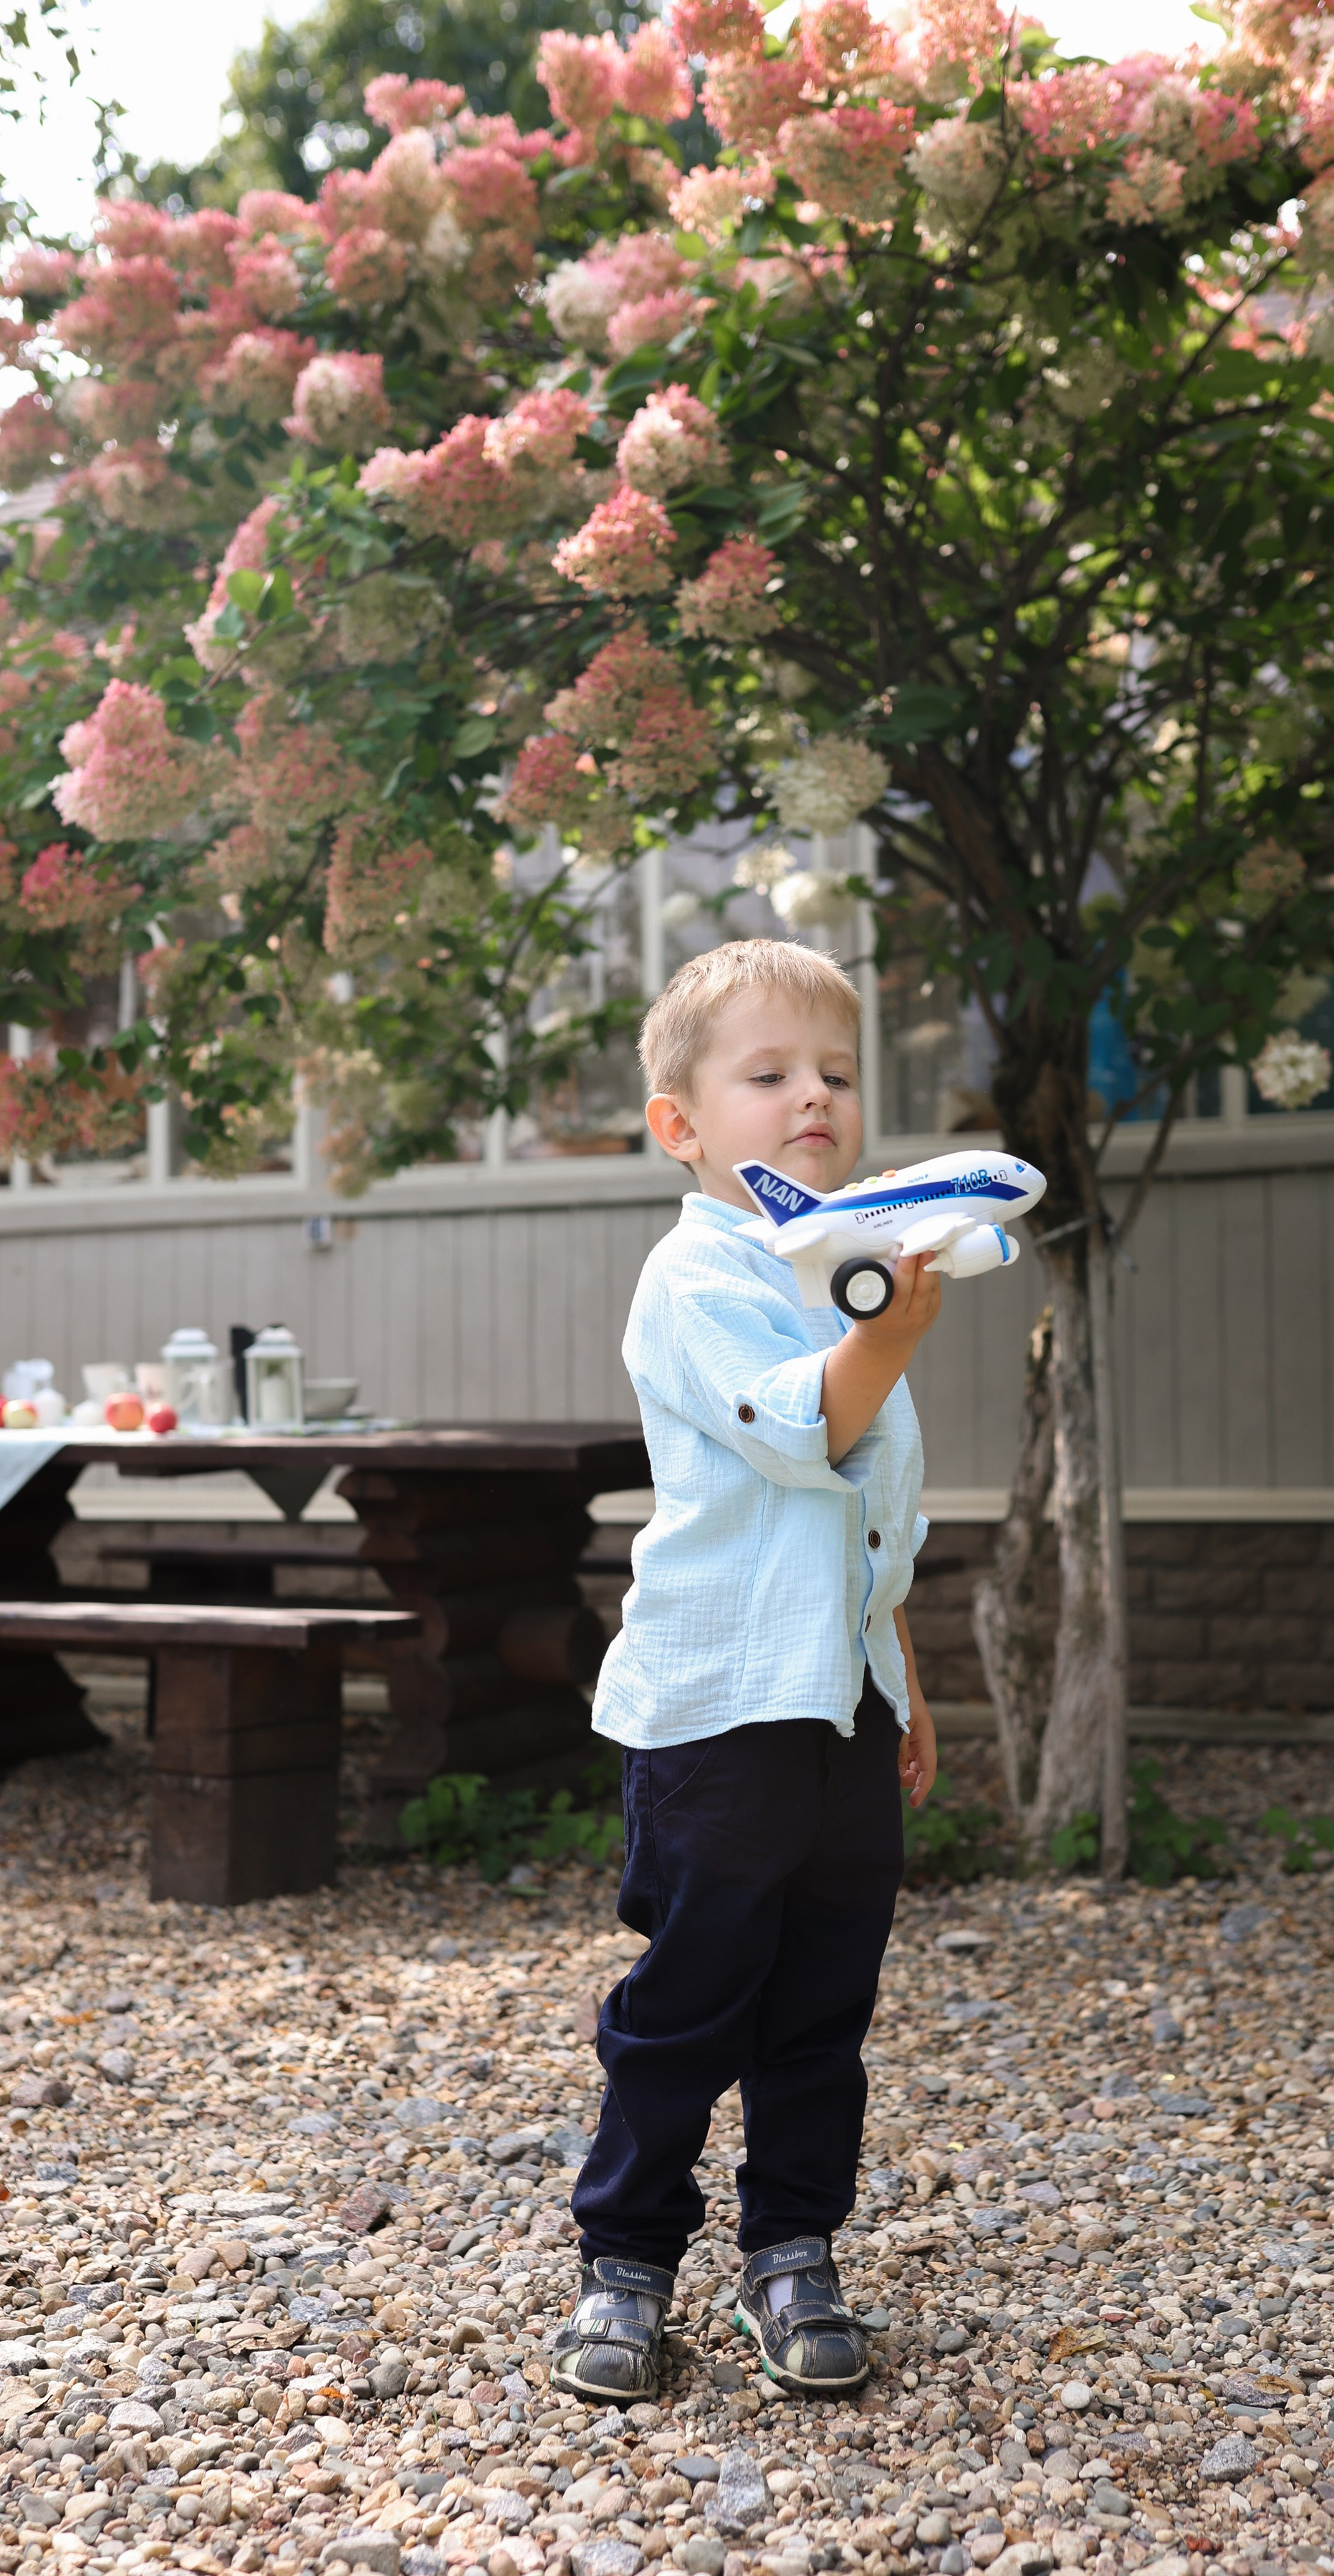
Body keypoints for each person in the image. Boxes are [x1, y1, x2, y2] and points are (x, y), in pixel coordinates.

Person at [554, 936, 941, 2403]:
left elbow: (870, 1513)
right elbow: (799, 1433)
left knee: (822, 2009)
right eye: (769, 1074)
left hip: (840, 1704)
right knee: (689, 2001)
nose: (813, 1097)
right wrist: (886, 1337)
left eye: (835, 1072)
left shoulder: (842, 1270)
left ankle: (791, 2247)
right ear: (682, 1123)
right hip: (721, 1713)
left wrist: (901, 1678)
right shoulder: (696, 1273)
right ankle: (626, 2259)